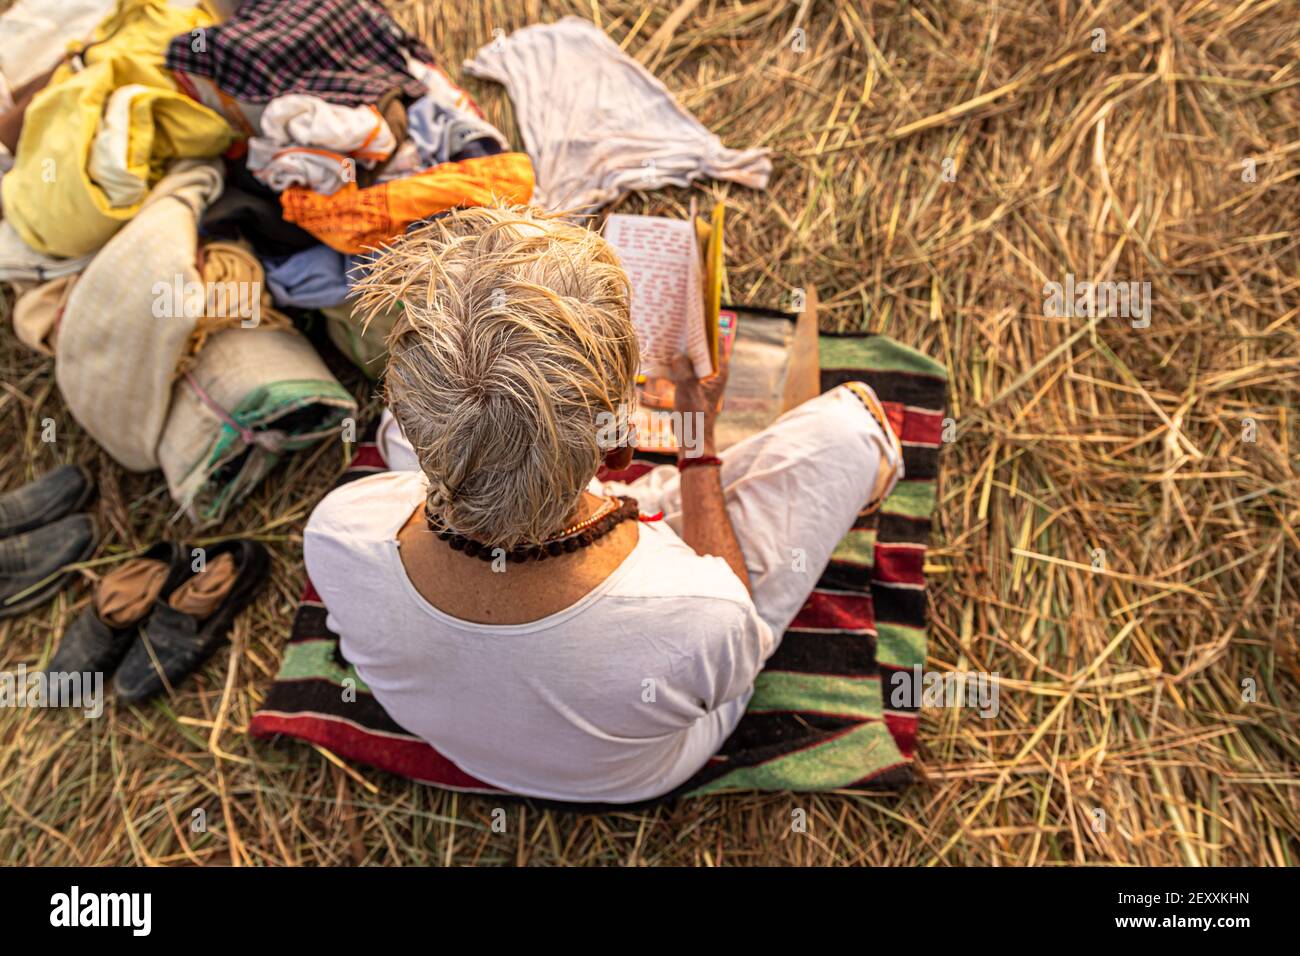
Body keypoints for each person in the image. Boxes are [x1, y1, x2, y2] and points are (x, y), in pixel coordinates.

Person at [304, 204, 903, 803]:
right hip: (632, 775)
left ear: (416, 425)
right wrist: (697, 450)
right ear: (621, 450)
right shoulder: (703, 613)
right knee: (854, 429)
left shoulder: (339, 532)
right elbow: (732, 618)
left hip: (463, 740)